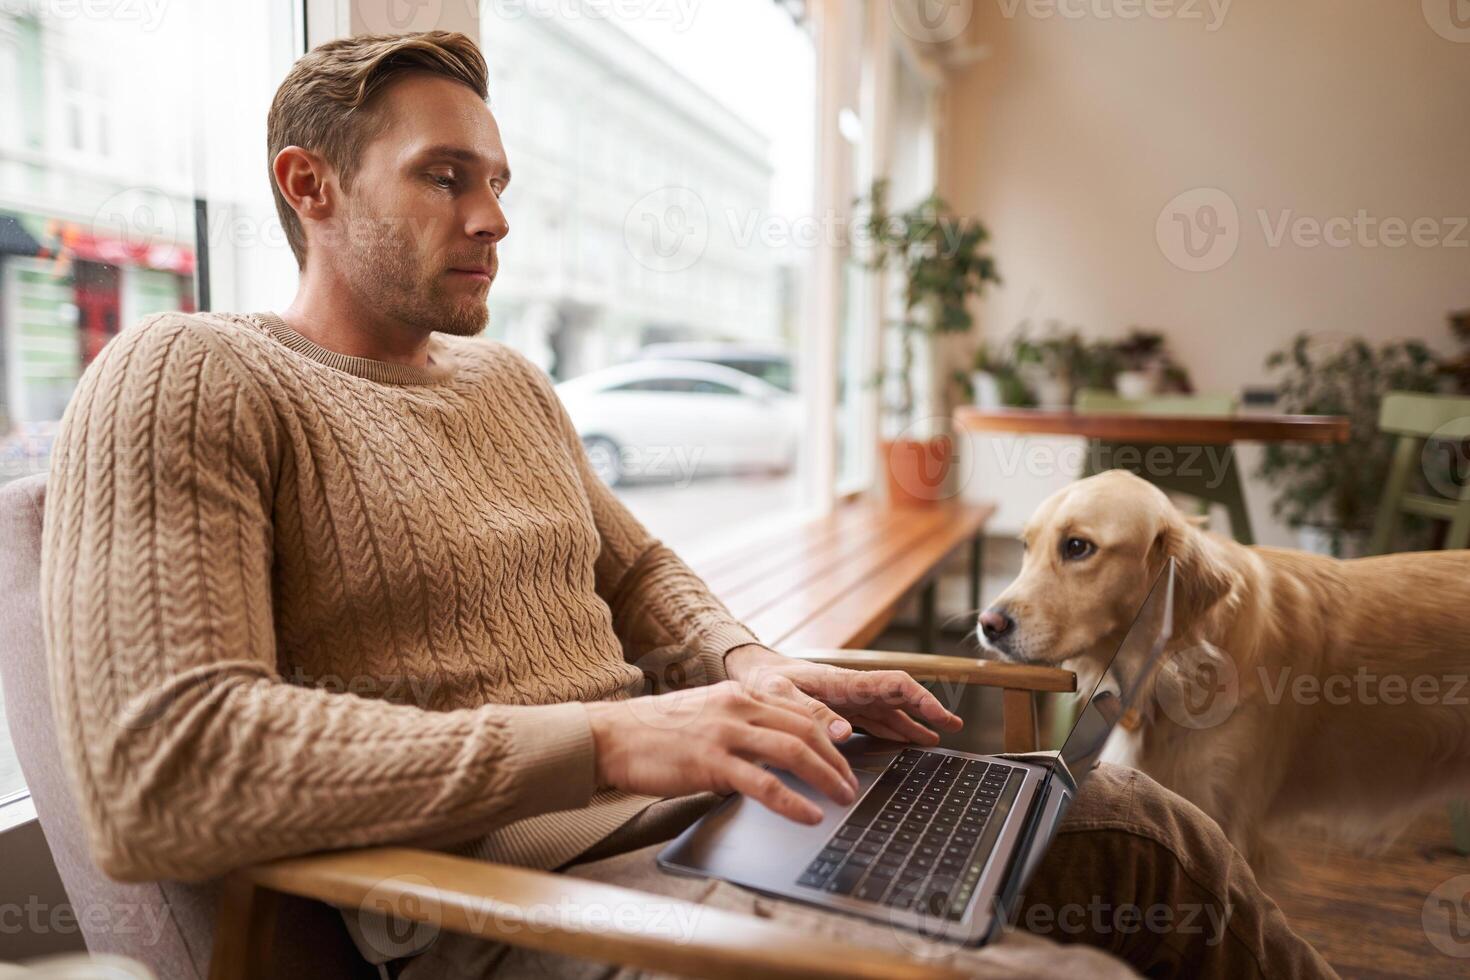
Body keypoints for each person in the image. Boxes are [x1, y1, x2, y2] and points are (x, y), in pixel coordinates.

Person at [40, 30, 1335, 980]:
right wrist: (611, 743)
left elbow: (642, 576)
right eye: (447, 178)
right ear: (308, 188)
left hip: (709, 816)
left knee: (1130, 822)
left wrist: (758, 672)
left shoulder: (505, 383)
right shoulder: (188, 371)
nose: (493, 218)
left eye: (498, 183)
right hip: (511, 891)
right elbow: (167, 774)